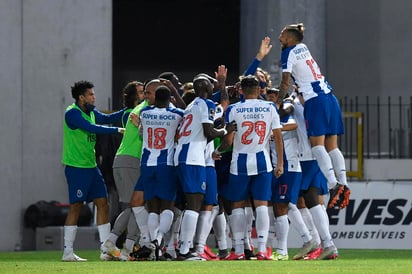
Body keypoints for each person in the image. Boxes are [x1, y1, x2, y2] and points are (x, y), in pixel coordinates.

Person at [277, 23, 350, 209]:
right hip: (330, 97)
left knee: (317, 145)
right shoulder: (303, 47)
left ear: (290, 38)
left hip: (315, 101)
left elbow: (285, 82)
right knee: (332, 146)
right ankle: (344, 183)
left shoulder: (289, 52)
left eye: (283, 35)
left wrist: (278, 102)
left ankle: (333, 185)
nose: (280, 38)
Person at [214, 75, 284, 260]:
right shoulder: (270, 107)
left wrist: (217, 151)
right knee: (261, 204)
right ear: (259, 90)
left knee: (237, 205)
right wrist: (281, 163)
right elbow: (277, 136)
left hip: (240, 162)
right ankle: (262, 250)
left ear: (241, 91)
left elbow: (228, 140)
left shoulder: (234, 109)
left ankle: (237, 251)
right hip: (263, 161)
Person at [61, 80, 126, 262]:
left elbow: (105, 118)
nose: (94, 97)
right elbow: (91, 128)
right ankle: (67, 252)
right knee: (76, 206)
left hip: (91, 166)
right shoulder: (72, 113)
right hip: (76, 167)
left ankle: (105, 249)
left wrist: (127, 110)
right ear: (81, 97)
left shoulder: (90, 112)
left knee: (103, 203)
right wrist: (117, 130)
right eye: (90, 94)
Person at [173, 75, 236, 261]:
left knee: (188, 204)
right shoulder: (205, 104)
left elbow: (204, 132)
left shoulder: (191, 106)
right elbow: (209, 132)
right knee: (194, 203)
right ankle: (185, 251)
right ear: (208, 87)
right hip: (193, 158)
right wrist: (226, 130)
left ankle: (178, 247)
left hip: (183, 156)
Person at [137, 85, 184, 260]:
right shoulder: (177, 115)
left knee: (153, 207)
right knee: (168, 205)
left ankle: (152, 243)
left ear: (155, 97)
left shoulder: (145, 113)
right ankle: (157, 240)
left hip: (147, 163)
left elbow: (141, 133)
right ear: (170, 99)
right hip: (167, 163)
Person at [102, 80, 144, 261]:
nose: (145, 95)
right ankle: (114, 245)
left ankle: (117, 248)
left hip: (125, 161)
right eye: (142, 92)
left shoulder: (133, 112)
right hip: (129, 161)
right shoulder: (137, 112)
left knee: (136, 206)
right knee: (136, 206)